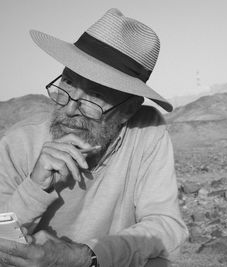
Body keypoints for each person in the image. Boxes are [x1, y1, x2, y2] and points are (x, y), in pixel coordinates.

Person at [0, 8, 188, 267]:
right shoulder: (18, 143)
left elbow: (167, 228)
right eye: (67, 82)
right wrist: (34, 188)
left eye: (95, 95)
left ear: (128, 110)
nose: (68, 109)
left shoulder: (146, 132)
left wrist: (85, 256)